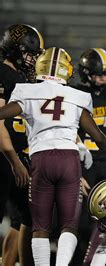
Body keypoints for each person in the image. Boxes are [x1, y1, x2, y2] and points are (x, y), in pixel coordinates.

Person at [0, 46, 106, 265]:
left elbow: (2, 114)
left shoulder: (26, 91)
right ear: (66, 71)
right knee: (70, 224)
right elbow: (99, 136)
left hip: (41, 159)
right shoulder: (77, 96)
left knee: (40, 225)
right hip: (69, 160)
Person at [73, 47, 106, 264]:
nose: (103, 78)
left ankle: (104, 259)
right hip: (83, 159)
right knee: (80, 219)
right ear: (86, 74)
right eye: (97, 74)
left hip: (103, 160)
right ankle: (76, 259)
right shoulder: (77, 95)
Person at [0, 23, 44, 266]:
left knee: (27, 216)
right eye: (30, 54)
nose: (33, 61)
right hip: (5, 157)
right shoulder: (2, 74)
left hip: (20, 157)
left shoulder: (24, 80)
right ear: (14, 50)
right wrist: (14, 160)